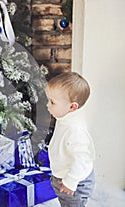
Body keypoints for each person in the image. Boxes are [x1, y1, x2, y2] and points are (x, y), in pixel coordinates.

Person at [45, 72, 95, 207]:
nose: (47, 105)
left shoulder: (75, 131)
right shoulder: (66, 117)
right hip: (64, 175)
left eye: (52, 102)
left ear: (72, 107)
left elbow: (81, 159)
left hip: (76, 182)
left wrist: (71, 181)